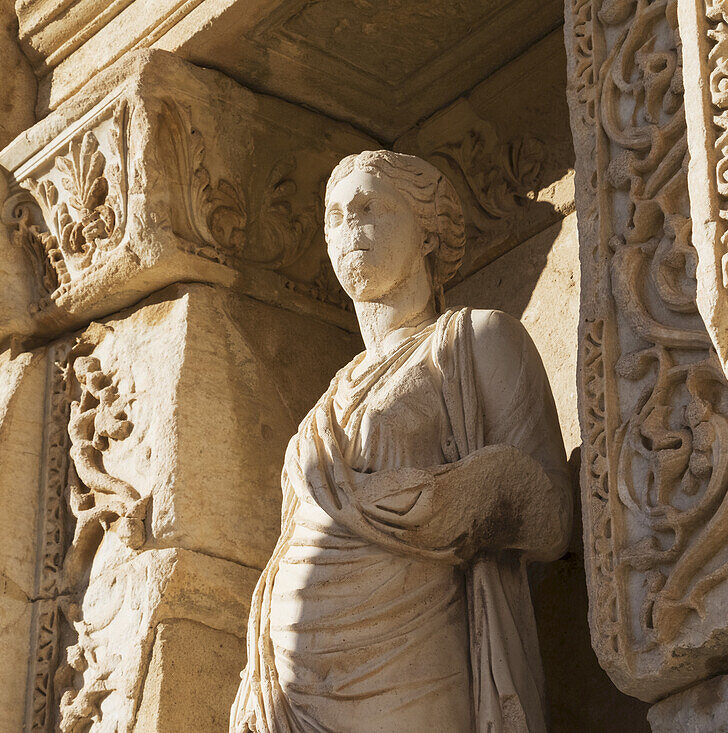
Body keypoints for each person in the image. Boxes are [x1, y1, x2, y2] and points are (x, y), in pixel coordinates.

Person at [231, 150, 572, 733]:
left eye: (367, 208)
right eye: (334, 218)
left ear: (428, 232)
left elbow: (554, 518)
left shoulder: (477, 340)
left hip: (412, 651)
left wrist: (459, 496)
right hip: (298, 683)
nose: (347, 229)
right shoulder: (326, 401)